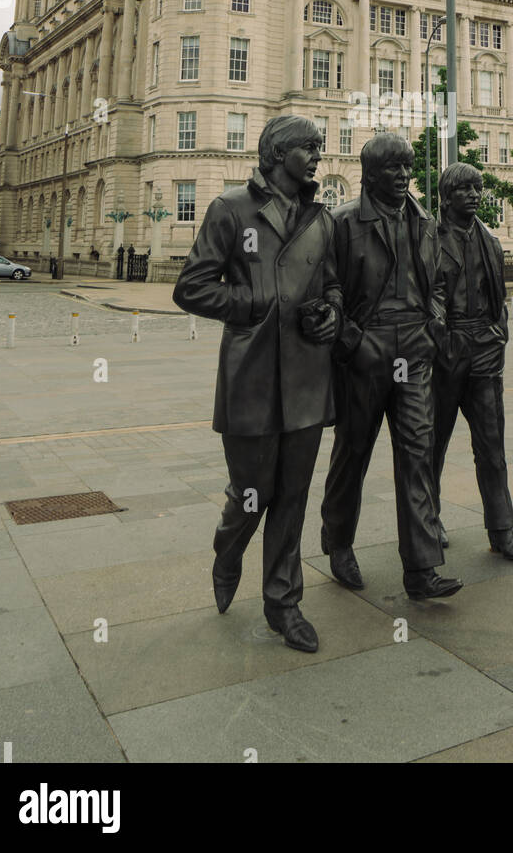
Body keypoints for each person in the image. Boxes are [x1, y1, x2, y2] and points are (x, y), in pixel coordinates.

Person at [172, 116, 340, 653]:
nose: (317, 156)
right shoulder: (231, 209)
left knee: (292, 497)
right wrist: (252, 305)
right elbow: (191, 287)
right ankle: (228, 548)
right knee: (251, 496)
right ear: (274, 153)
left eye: (319, 147)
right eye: (306, 148)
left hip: (308, 378)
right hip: (252, 376)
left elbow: (331, 284)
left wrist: (330, 314)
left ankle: (283, 604)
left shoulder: (321, 217)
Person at [320, 133, 463, 601]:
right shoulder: (342, 222)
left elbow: (438, 283)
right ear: (370, 174)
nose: (404, 176)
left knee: (418, 454)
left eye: (407, 167)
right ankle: (338, 543)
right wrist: (351, 340)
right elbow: (327, 289)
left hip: (416, 350)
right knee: (353, 452)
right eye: (393, 168)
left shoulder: (424, 222)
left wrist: (434, 321)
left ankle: (421, 570)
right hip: (366, 350)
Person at [432, 163, 513, 561]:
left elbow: (499, 296)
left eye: (477, 188)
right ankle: (429, 516)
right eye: (464, 189)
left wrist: (498, 333)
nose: (474, 195)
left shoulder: (489, 239)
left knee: (492, 447)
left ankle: (502, 530)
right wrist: (439, 340)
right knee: (431, 445)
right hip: (445, 351)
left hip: (485, 349)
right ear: (446, 197)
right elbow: (426, 295)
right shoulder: (429, 238)